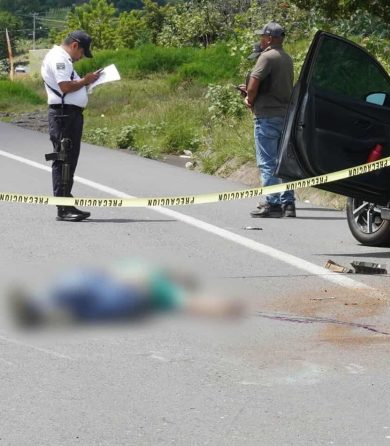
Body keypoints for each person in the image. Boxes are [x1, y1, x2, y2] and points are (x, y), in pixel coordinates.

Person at [8, 260, 244, 329]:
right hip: (109, 290)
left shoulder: (163, 287)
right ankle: (39, 309)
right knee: (78, 284)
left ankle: (40, 309)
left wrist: (224, 307)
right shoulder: (152, 274)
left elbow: (193, 303)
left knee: (80, 288)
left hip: (120, 298)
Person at [41, 30, 101, 222]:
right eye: (82, 52)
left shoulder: (64, 60)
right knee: (64, 159)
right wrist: (86, 80)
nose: (81, 57)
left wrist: (85, 83)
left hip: (69, 114)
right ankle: (63, 208)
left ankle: (66, 202)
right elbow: (65, 86)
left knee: (69, 159)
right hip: (63, 115)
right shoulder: (59, 58)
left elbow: (69, 85)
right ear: (75, 45)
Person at [244, 22, 296, 218]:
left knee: (267, 162)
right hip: (285, 116)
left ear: (271, 38)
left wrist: (249, 98)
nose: (261, 40)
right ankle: (288, 203)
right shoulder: (286, 58)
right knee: (284, 161)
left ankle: (272, 203)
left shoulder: (266, 56)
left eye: (263, 37)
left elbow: (253, 84)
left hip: (266, 115)